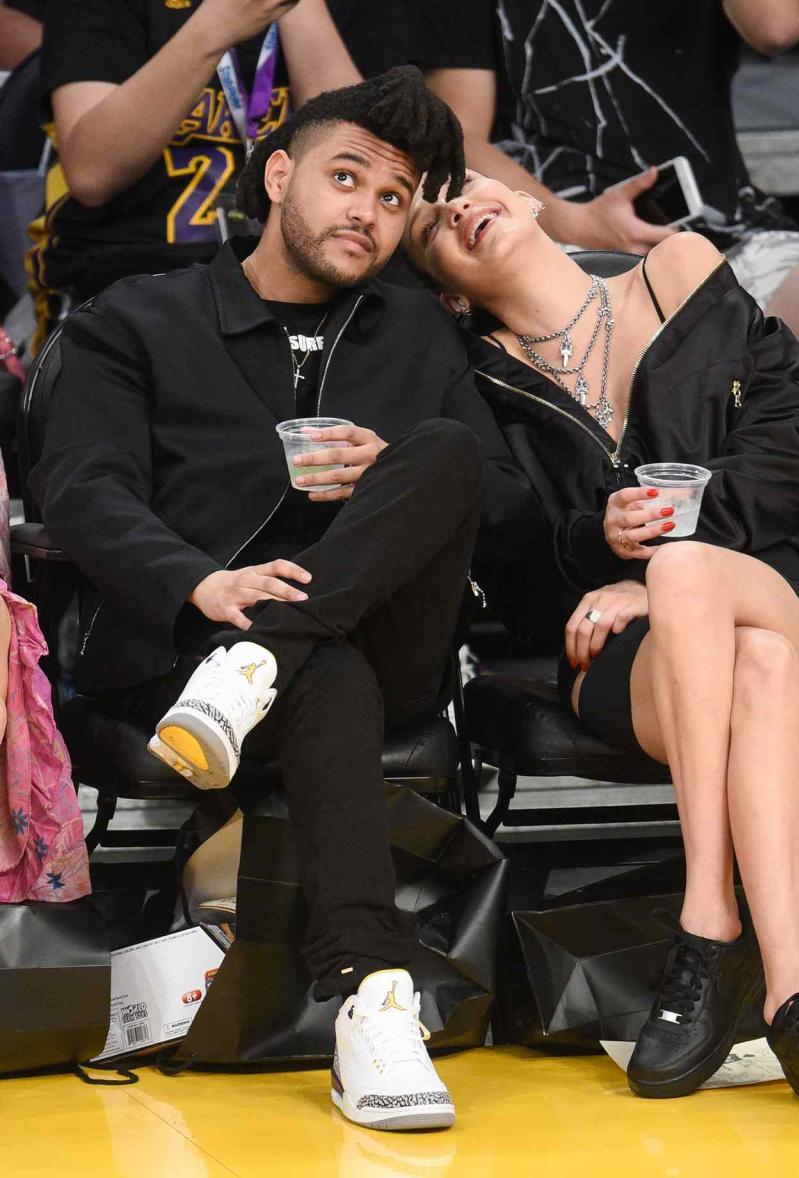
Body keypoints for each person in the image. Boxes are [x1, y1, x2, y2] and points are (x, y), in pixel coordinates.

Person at [31, 69, 540, 1132]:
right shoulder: (140, 317)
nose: (368, 209)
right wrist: (202, 581)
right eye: (345, 176)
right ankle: (374, 997)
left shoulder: (417, 333)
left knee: (442, 449)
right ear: (278, 174)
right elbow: (79, 489)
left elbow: (501, 497)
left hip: (359, 646)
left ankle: (260, 659)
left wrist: (392, 466)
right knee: (328, 671)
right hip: (185, 654)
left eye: (397, 198)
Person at [404, 169, 799, 1115]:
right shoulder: (475, 381)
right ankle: (791, 995)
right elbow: (510, 564)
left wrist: (648, 572)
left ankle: (706, 924)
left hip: (779, 595)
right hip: (619, 660)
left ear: (524, 199)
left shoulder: (675, 269)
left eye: (469, 187)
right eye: (435, 224)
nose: (460, 208)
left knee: (694, 581)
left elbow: (787, 443)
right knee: (746, 661)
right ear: (446, 287)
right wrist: (592, 544)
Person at [415, 0, 799, 368]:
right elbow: (460, 131)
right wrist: (573, 222)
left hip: (728, 233)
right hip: (562, 244)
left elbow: (778, 28)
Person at [28, 0, 362, 342]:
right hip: (135, 283)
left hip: (288, 285)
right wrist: (214, 28)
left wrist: (301, 8)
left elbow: (357, 165)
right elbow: (92, 173)